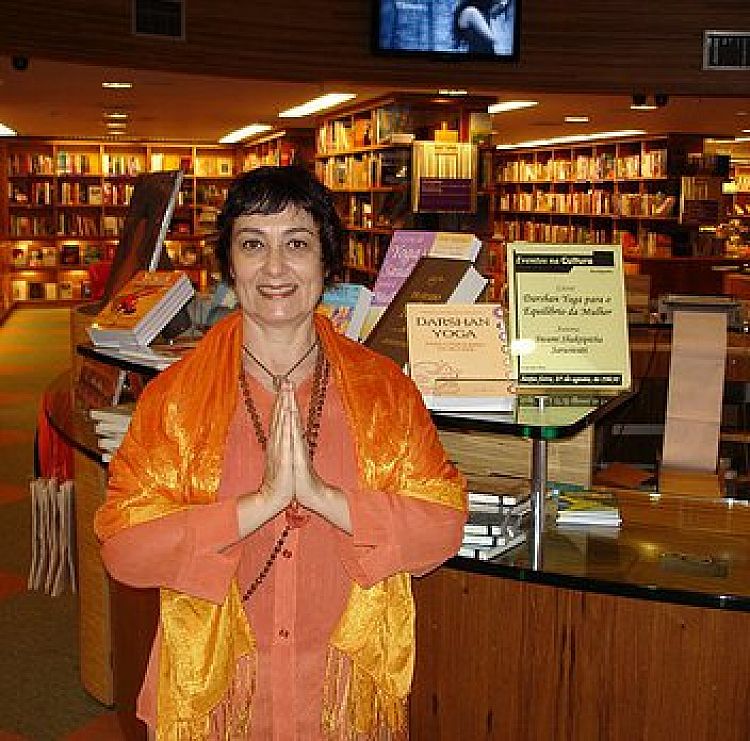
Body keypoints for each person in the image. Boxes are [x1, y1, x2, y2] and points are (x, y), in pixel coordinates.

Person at [94, 165, 467, 740]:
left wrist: (324, 498)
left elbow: (441, 525)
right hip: (217, 696)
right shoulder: (176, 399)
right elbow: (125, 547)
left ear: (326, 263)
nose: (274, 268)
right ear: (228, 266)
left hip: (341, 699)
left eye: (296, 244)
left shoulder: (383, 389)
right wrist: (260, 504)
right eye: (252, 245)